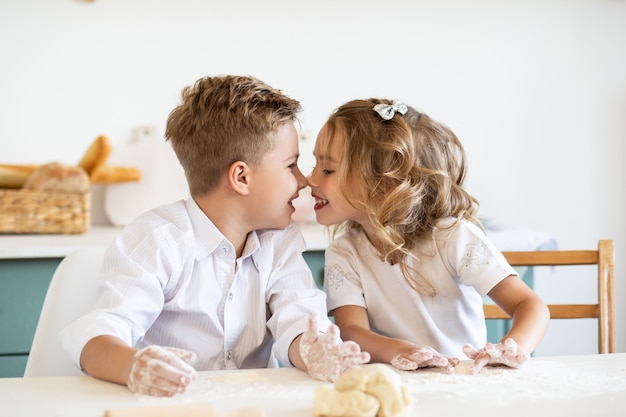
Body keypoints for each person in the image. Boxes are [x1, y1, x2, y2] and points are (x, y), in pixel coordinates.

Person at [60, 75, 369, 397]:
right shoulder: (158, 240)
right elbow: (101, 333)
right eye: (291, 165)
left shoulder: (280, 240)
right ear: (241, 177)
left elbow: (298, 319)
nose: (304, 180)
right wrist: (133, 365)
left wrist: (314, 350)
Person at [307, 98, 549, 374]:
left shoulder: (452, 238)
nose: (310, 179)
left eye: (327, 170)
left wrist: (512, 347)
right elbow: (352, 329)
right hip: (395, 385)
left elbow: (530, 305)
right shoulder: (344, 251)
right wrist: (402, 350)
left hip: (464, 384)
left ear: (385, 184)